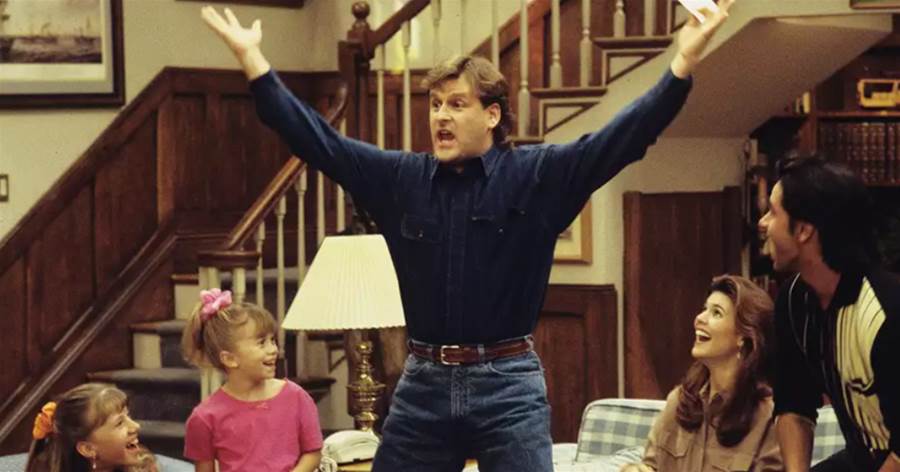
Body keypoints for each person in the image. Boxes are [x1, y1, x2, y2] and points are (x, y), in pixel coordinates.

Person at [199, 2, 734, 469]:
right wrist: (255, 64)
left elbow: (621, 139)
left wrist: (681, 64)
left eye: (457, 104)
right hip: (423, 385)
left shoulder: (537, 175)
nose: (441, 116)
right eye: (435, 104)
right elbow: (321, 143)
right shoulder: (401, 179)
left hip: (508, 384)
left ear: (492, 114)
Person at [758, 157, 900, 472]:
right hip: (863, 458)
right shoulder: (793, 301)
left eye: (773, 212)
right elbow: (794, 405)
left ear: (804, 230)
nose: (763, 223)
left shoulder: (887, 311)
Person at [621, 275, 783, 472]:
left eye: (716, 313)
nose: (699, 318)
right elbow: (651, 465)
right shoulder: (680, 401)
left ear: (743, 336)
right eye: (705, 309)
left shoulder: (770, 418)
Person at [180, 289, 322, 472]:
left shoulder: (296, 397)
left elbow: (313, 452)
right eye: (261, 342)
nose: (273, 349)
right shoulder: (204, 417)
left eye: (273, 340)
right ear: (229, 359)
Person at [25, 383, 156, 472]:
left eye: (128, 415)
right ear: (88, 449)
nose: (136, 426)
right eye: (119, 423)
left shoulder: (144, 467)